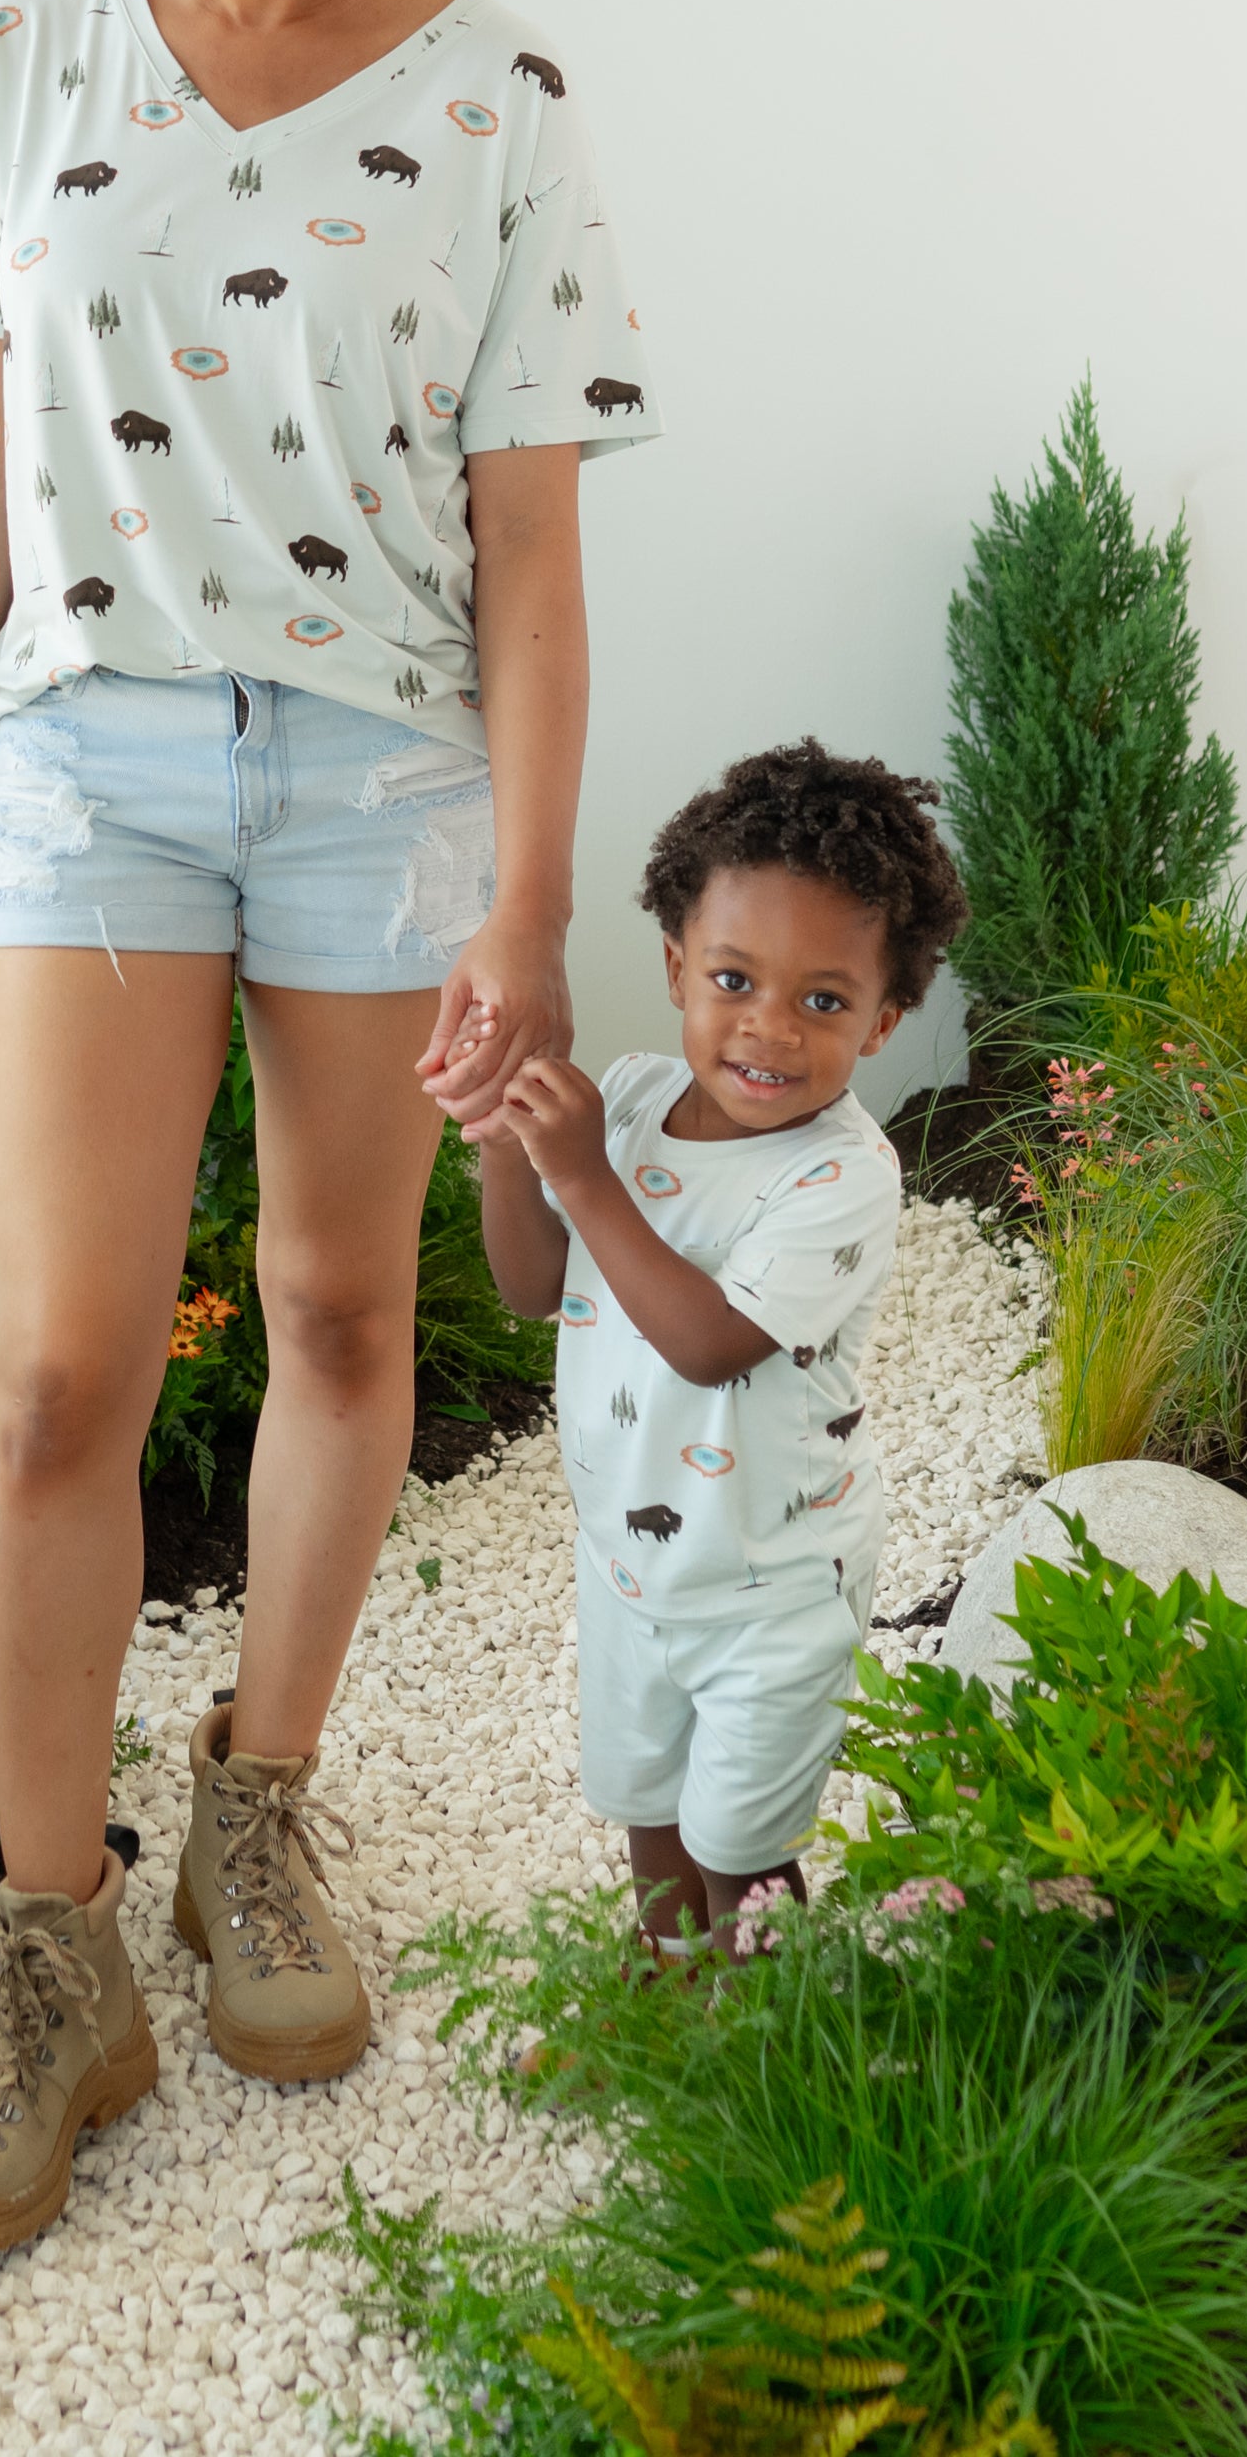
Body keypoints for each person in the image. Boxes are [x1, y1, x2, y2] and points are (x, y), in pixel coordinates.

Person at [0, 0, 659, 2257]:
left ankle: (260, 1816)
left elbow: (532, 561)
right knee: (64, 1376)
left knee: (344, 1310)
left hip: (381, 777)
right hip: (91, 767)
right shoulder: (17, 46)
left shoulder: (506, 96)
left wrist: (527, 908)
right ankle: (54, 1940)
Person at [471, 745, 967, 1960]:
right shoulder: (633, 1099)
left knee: (739, 1849)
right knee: (649, 1813)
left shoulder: (840, 1174)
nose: (769, 1030)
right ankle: (665, 2007)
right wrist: (503, 1138)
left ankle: (755, 2061)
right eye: (735, 978)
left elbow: (706, 1344)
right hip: (633, 1567)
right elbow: (533, 1286)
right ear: (676, 964)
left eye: (824, 1001)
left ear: (886, 1020)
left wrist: (580, 1174)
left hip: (773, 1587)